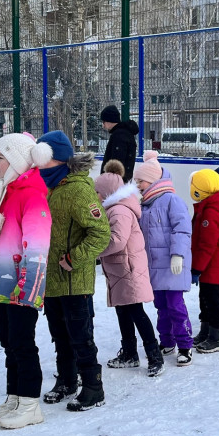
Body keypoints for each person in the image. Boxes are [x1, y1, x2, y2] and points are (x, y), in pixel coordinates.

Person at [0, 133, 52, 429]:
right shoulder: (1, 193)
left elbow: (37, 245)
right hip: (2, 281)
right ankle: (14, 397)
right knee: (7, 340)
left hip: (21, 283)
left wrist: (30, 285)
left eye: (1, 157)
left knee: (22, 342)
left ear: (18, 161)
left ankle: (30, 403)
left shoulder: (31, 195)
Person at [35, 130, 111, 411]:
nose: (37, 164)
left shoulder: (78, 189)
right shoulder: (50, 187)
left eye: (41, 158)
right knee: (59, 333)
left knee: (80, 335)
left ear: (56, 159)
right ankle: (67, 380)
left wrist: (75, 258)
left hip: (74, 279)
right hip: (52, 278)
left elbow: (101, 232)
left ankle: (93, 386)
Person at [95, 160, 164, 376]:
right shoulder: (114, 208)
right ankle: (129, 354)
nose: (95, 196)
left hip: (128, 269)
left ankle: (154, 356)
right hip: (121, 270)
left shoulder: (119, 211)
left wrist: (94, 252)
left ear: (106, 192)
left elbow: (117, 240)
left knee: (135, 312)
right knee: (123, 312)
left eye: (97, 192)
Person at [134, 150, 194, 367]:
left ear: (151, 180)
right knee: (161, 306)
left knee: (176, 306)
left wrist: (178, 255)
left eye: (140, 180)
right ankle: (167, 341)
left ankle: (185, 345)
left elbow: (182, 230)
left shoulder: (172, 200)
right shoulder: (145, 204)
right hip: (154, 266)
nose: (138, 185)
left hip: (172, 265)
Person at [190, 168, 219, 353]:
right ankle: (205, 332)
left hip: (211, 267)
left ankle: (217, 337)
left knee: (212, 301)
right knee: (204, 300)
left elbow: (207, 245)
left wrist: (197, 268)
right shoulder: (206, 208)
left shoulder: (211, 214)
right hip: (207, 266)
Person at [100, 104, 139, 182]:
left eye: (103, 121)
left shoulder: (119, 136)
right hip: (122, 179)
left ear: (110, 120)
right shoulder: (124, 133)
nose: (103, 125)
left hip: (115, 181)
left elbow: (117, 162)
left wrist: (108, 181)